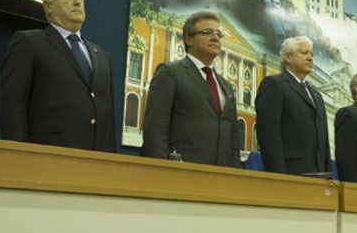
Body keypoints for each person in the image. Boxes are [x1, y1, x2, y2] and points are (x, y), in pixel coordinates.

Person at [0, 0, 115, 152]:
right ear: (48, 6)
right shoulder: (29, 42)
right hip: (46, 158)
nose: (76, 1)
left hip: (96, 163)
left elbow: (107, 117)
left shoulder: (103, 57)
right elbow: (11, 105)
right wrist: (18, 157)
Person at [141, 11, 240, 167]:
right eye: (207, 32)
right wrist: (159, 171)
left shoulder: (227, 87)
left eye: (219, 34)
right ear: (189, 39)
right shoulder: (170, 72)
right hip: (181, 173)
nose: (215, 38)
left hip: (222, 177)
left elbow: (233, 138)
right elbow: (155, 129)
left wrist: (235, 173)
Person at [255, 36, 330, 175]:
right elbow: (269, 135)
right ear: (287, 57)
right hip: (290, 174)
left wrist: (328, 175)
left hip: (319, 176)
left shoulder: (316, 95)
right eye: (304, 53)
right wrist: (279, 177)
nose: (310, 58)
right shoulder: (274, 84)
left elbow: (323, 141)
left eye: (311, 54)